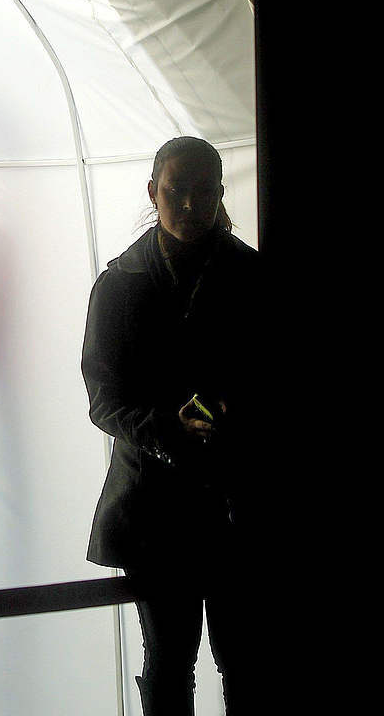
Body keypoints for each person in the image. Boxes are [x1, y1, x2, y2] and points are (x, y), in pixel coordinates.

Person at [81, 136, 262, 714]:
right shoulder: (119, 283)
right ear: (153, 190)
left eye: (202, 191)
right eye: (176, 191)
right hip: (155, 509)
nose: (188, 204)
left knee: (245, 658)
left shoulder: (252, 276)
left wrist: (219, 415)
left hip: (236, 501)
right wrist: (168, 427)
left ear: (219, 193)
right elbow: (103, 398)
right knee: (168, 662)